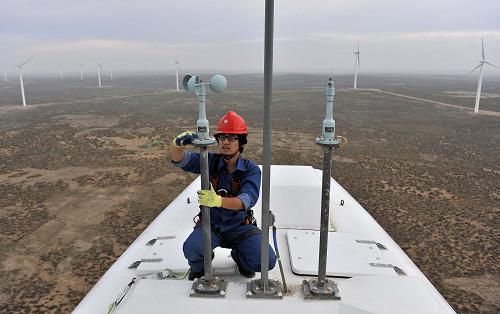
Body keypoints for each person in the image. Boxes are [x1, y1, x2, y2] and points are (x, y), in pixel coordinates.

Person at [171, 111, 276, 280]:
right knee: (192, 249)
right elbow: (180, 160)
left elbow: (247, 200)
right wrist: (177, 145)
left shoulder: (251, 169)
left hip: (239, 226)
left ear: (241, 142)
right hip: (211, 224)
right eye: (222, 137)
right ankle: (202, 264)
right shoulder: (209, 161)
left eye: (232, 138)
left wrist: (217, 201)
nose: (225, 142)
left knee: (266, 261)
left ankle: (240, 257)